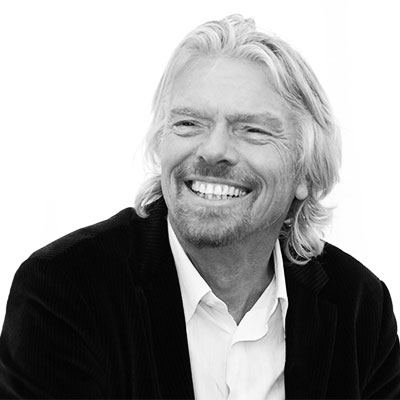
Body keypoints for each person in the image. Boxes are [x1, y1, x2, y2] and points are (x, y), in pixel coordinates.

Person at [0, 14, 399, 399]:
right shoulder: (65, 290)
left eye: (252, 130)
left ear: (305, 173)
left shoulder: (359, 307)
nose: (213, 150)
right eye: (189, 123)